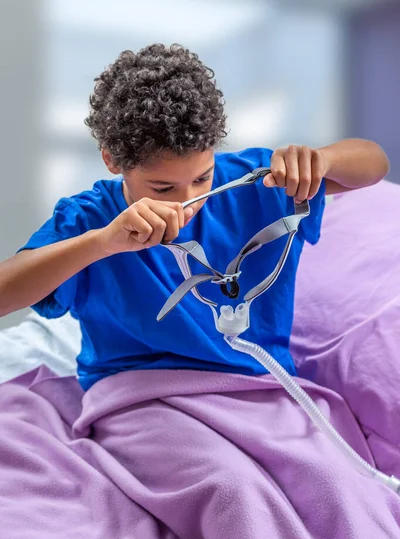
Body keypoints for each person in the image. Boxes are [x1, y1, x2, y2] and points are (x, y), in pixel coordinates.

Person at [0, 44, 389, 391]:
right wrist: (101, 244)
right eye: (163, 188)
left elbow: (374, 163)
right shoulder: (91, 219)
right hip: (139, 398)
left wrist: (322, 160)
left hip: (261, 390)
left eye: (203, 178)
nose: (188, 201)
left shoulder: (259, 181)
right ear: (112, 161)